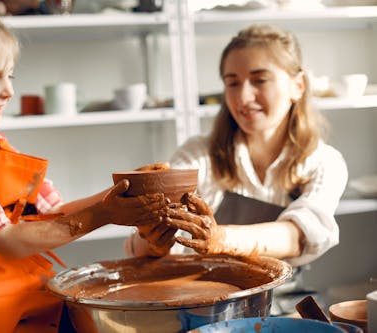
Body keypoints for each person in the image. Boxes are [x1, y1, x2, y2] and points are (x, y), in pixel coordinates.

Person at [0, 1, 173, 332]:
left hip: (28, 287)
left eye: (9, 76)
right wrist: (107, 214)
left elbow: (55, 213)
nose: (8, 91)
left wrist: (125, 190)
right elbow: (6, 239)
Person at [126, 24, 348, 280]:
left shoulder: (323, 162)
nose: (243, 97)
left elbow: (297, 236)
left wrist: (221, 238)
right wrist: (154, 241)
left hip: (284, 299)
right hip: (204, 298)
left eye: (260, 80)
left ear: (298, 85)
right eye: (233, 83)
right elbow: (138, 246)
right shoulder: (199, 156)